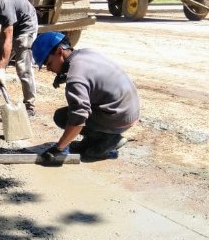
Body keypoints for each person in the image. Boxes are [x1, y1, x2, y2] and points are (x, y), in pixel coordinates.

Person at [31, 31, 140, 165]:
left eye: (48, 63)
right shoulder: (86, 53)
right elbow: (92, 76)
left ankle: (110, 139)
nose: (48, 69)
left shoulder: (76, 76)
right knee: (70, 117)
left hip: (119, 118)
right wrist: (63, 75)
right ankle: (99, 137)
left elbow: (78, 117)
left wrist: (58, 148)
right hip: (129, 110)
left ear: (59, 51)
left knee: (63, 117)